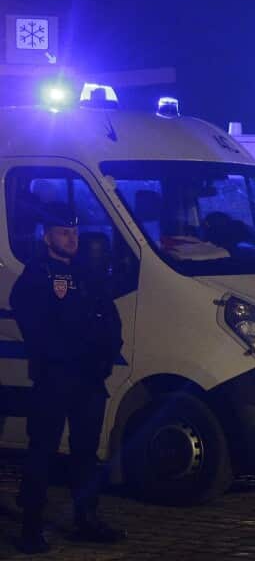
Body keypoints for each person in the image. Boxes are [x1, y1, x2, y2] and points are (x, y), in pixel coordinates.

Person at [8, 205, 124, 554]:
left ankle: (86, 519)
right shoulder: (37, 276)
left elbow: (110, 319)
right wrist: (62, 356)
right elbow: (37, 327)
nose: (71, 239)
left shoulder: (88, 274)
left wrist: (104, 357)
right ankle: (31, 526)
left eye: (74, 233)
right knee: (42, 451)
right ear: (47, 237)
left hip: (89, 379)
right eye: (63, 232)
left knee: (86, 454)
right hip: (55, 378)